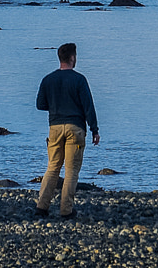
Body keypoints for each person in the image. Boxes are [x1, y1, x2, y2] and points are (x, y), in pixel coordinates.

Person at [33, 41, 99, 218]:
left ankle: (42, 207)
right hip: (75, 127)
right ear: (72, 57)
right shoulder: (79, 79)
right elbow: (88, 107)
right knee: (71, 170)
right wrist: (94, 129)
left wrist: (56, 106)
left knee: (53, 167)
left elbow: (40, 105)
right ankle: (66, 210)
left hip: (54, 127)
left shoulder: (48, 79)